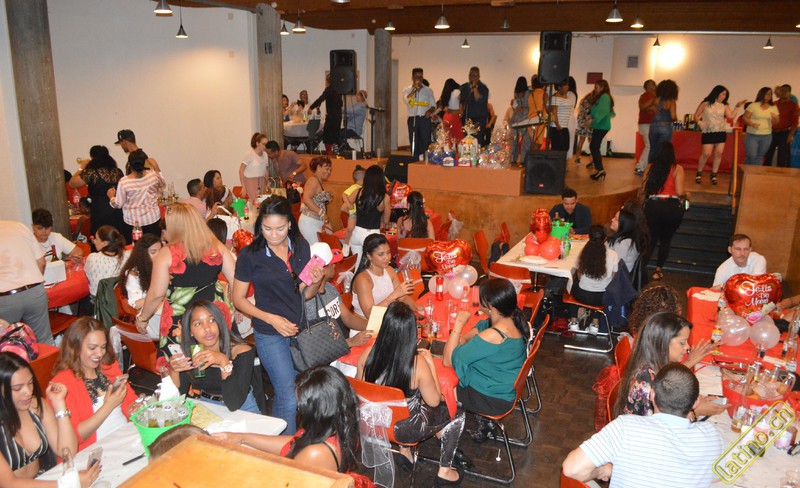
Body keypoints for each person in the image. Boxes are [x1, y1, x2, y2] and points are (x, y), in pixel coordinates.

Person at [231, 196, 325, 434]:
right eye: (267, 228)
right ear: (260, 225)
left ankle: (284, 439)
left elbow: (304, 294)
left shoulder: (301, 246)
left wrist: (316, 280)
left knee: (298, 391)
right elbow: (238, 299)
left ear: (290, 224)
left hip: (299, 331)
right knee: (287, 395)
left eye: (280, 229)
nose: (273, 235)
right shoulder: (250, 255)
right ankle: (284, 447)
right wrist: (271, 318)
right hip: (269, 332)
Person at [563, 363, 723, 488]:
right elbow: (716, 477)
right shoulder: (712, 435)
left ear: (652, 394)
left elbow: (571, 469)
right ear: (695, 403)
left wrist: (603, 470)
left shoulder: (626, 427)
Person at [357, 302, 466, 486]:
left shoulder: (367, 355)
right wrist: (430, 364)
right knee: (456, 410)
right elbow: (434, 401)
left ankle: (405, 451)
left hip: (375, 422)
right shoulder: (417, 364)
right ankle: (445, 471)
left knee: (406, 400)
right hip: (404, 430)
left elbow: (362, 390)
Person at [212, 366, 367, 484]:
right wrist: (241, 438)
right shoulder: (339, 425)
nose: (299, 409)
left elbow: (284, 481)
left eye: (301, 406)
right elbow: (294, 443)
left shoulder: (315, 453)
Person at [134, 203, 236, 357]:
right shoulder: (216, 246)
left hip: (181, 316)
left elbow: (156, 294)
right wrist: (236, 306)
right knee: (221, 356)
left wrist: (143, 318)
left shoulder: (166, 253)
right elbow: (236, 280)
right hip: (215, 313)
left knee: (181, 362)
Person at [443, 279, 529, 435]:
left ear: (490, 306)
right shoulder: (513, 321)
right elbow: (483, 324)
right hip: (503, 390)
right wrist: (465, 338)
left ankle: (444, 432)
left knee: (438, 386)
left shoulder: (493, 335)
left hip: (491, 399)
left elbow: (448, 360)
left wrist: (458, 324)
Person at [0, 352, 101, 486]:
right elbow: (9, 484)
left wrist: (59, 404)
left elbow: (68, 451)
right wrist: (68, 484)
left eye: (30, 383)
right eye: (18, 388)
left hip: (43, 481)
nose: (28, 392)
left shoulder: (35, 406)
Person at [52, 317, 139, 451]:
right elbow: (75, 436)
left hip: (127, 436)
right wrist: (108, 406)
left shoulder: (108, 366)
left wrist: (135, 408)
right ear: (75, 347)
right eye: (92, 348)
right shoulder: (62, 384)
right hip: (96, 451)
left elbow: (130, 400)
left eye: (103, 347)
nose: (99, 354)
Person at [168, 301, 266, 414]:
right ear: (190, 332)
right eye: (198, 324)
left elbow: (234, 402)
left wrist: (224, 362)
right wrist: (174, 371)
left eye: (212, 320)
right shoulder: (194, 352)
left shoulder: (241, 352)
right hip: (207, 406)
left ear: (219, 323)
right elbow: (176, 399)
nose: (207, 328)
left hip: (243, 407)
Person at [615, 312, 720, 418]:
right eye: (682, 343)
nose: (688, 346)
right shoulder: (646, 383)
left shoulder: (658, 365)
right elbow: (659, 425)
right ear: (663, 343)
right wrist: (694, 412)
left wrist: (690, 402)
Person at [0, 222, 53, 345]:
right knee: (43, 340)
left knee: (6, 344)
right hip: (34, 290)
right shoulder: (19, 226)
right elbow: (41, 262)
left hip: (5, 296)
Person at [642, 142, 685, 281]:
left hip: (653, 206)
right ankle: (658, 271)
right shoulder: (677, 168)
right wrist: (688, 195)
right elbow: (680, 192)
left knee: (651, 239)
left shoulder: (650, 167)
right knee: (666, 240)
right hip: (672, 207)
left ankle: (641, 268)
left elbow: (643, 189)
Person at [567, 225, 618, 334]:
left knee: (572, 283)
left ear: (589, 237)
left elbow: (579, 274)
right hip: (603, 298)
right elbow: (613, 278)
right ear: (605, 238)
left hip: (582, 295)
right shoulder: (613, 255)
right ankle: (595, 322)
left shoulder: (583, 252)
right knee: (602, 290)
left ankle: (574, 321)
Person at [352, 234, 416, 319]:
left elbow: (403, 298)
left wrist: (419, 308)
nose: (387, 257)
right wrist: (394, 295)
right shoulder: (363, 279)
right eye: (381, 254)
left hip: (386, 319)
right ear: (369, 256)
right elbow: (370, 315)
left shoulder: (390, 270)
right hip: (366, 324)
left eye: (388, 253)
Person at [108, 149, 165, 243]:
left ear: (129, 165)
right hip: (153, 219)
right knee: (154, 246)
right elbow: (162, 184)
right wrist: (156, 167)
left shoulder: (124, 182)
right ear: (144, 164)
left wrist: (111, 197)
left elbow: (118, 204)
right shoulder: (153, 175)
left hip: (133, 222)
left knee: (135, 249)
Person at [694, 85, 746, 185]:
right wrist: (700, 123)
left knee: (719, 153)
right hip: (708, 131)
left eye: (725, 95)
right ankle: (699, 172)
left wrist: (737, 106)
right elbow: (696, 115)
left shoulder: (724, 105)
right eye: (723, 94)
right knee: (706, 153)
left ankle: (714, 174)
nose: (724, 96)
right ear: (716, 93)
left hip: (720, 131)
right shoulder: (706, 103)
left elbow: (731, 116)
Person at [68, 145, 125, 235]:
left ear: (93, 158)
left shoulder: (92, 172)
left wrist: (81, 168)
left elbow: (72, 183)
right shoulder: (117, 171)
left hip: (99, 209)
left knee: (101, 236)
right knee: (116, 235)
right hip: (116, 209)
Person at [118, 234, 163, 339]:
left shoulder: (162, 268)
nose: (158, 255)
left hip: (160, 311)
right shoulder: (134, 274)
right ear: (143, 254)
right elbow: (136, 304)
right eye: (153, 252)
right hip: (149, 319)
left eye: (160, 251)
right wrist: (158, 296)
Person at [350, 165, 390, 259]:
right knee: (371, 265)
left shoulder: (358, 192)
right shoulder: (384, 197)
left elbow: (344, 207)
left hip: (356, 232)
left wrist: (354, 215)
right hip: (372, 234)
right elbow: (386, 221)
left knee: (357, 263)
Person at [84, 225, 130, 301]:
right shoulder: (127, 256)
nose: (94, 241)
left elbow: (88, 275)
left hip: (100, 303)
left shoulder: (92, 258)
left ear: (104, 243)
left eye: (96, 239)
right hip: (121, 300)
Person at [297, 157, 333, 245]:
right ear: (318, 167)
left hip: (316, 221)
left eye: (330, 169)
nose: (329, 172)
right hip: (309, 222)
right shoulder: (313, 180)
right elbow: (306, 199)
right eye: (326, 169)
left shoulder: (318, 181)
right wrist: (322, 213)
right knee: (316, 248)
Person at [403, 68, 437, 160]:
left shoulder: (428, 90)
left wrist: (429, 111)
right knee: (414, 142)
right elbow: (407, 100)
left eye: (420, 77)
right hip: (412, 118)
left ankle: (426, 162)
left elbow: (433, 105)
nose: (419, 79)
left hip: (424, 119)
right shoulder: (407, 89)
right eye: (416, 77)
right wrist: (414, 90)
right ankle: (414, 162)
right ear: (412, 78)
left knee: (426, 142)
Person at [743, 87, 780, 166]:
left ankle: (754, 172)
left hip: (766, 135)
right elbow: (745, 118)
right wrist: (752, 124)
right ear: (761, 94)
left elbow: (776, 122)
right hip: (752, 135)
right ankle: (747, 171)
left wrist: (775, 118)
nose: (769, 96)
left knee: (759, 156)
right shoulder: (753, 105)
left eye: (770, 94)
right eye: (767, 94)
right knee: (751, 156)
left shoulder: (773, 107)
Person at [308, 73, 344, 155]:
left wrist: (311, 108)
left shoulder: (328, 89)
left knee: (326, 135)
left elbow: (320, 99)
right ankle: (336, 152)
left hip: (331, 116)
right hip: (338, 116)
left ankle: (329, 153)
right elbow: (340, 103)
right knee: (335, 135)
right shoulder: (339, 90)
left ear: (327, 81)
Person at [585, 80, 614, 180]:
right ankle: (598, 169)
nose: (595, 89)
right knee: (594, 146)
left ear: (602, 87)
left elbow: (603, 110)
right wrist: (591, 107)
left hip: (601, 125)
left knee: (594, 146)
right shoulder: (603, 97)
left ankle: (600, 169)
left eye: (596, 87)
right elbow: (599, 108)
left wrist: (592, 119)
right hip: (600, 125)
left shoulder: (604, 97)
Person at [764, 84, 798, 167]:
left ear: (789, 93)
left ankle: (781, 173)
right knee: (768, 153)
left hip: (785, 133)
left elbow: (795, 123)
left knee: (782, 155)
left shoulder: (793, 106)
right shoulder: (774, 104)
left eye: (785, 91)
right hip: (772, 132)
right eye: (782, 91)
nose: (783, 93)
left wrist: (791, 135)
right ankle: (765, 171)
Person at [647, 79, 679, 165]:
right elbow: (673, 116)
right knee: (662, 150)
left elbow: (646, 108)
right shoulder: (671, 101)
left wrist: (650, 109)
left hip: (654, 126)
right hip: (666, 127)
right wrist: (676, 118)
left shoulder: (657, 99)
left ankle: (650, 168)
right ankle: (660, 168)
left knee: (653, 149)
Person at [606, 208, 645, 273]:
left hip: (617, 276)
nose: (612, 219)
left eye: (616, 219)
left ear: (623, 224)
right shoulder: (625, 238)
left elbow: (617, 267)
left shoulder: (623, 243)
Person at [460, 67, 491, 147]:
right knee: (467, 144)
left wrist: (474, 87)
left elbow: (478, 99)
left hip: (478, 120)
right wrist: (460, 111)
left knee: (476, 144)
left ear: (479, 77)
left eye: (475, 75)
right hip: (467, 120)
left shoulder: (483, 88)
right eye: (471, 75)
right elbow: (461, 102)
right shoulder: (464, 87)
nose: (473, 77)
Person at [238, 132, 270, 204]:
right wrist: (243, 186)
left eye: (266, 144)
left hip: (262, 181)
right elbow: (241, 170)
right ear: (257, 143)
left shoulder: (265, 155)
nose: (265, 146)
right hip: (250, 182)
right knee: (253, 203)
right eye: (263, 144)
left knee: (262, 203)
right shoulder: (249, 154)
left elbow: (266, 170)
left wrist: (268, 182)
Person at [341, 165, 365, 257]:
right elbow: (344, 194)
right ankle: (346, 246)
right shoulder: (355, 187)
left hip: (359, 213)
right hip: (353, 212)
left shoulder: (362, 189)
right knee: (350, 229)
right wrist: (348, 204)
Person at [634, 80, 657, 175]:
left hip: (651, 124)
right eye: (651, 84)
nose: (654, 85)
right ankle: (640, 166)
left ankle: (646, 166)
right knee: (649, 145)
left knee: (651, 145)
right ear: (646, 87)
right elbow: (643, 107)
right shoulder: (645, 96)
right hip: (646, 124)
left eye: (654, 83)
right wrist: (652, 107)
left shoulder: (653, 96)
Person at [509, 76, 532, 165]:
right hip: (519, 117)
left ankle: (519, 160)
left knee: (523, 140)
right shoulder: (527, 92)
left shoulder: (528, 92)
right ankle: (517, 160)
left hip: (522, 117)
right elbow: (513, 102)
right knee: (517, 139)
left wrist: (519, 107)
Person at [548, 81, 574, 152]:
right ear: (559, 87)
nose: (567, 87)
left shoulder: (566, 96)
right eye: (565, 85)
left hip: (564, 126)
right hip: (556, 126)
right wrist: (557, 124)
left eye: (568, 85)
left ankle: (562, 160)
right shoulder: (555, 97)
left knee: (565, 147)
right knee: (557, 149)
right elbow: (554, 112)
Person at [571, 91, 594, 165]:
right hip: (589, 123)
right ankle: (592, 159)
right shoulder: (592, 103)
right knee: (591, 142)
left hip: (582, 123)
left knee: (581, 141)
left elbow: (581, 113)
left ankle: (577, 158)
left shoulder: (582, 101)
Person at [438, 78, 463, 145]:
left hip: (446, 117)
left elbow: (442, 107)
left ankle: (448, 151)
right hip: (454, 117)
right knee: (458, 138)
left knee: (448, 139)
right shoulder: (457, 92)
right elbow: (461, 107)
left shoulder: (445, 94)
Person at [528, 75, 547, 150]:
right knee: (538, 142)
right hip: (540, 121)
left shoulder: (530, 95)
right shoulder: (544, 94)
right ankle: (535, 156)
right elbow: (548, 108)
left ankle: (532, 155)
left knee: (533, 142)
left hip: (530, 120)